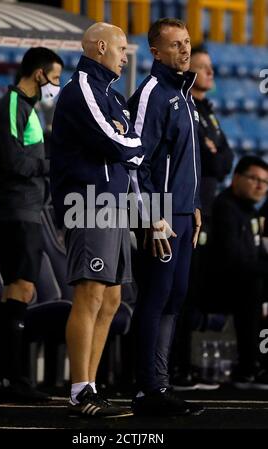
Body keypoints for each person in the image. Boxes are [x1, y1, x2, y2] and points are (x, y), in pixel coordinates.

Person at [50, 22, 144, 417]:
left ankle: (89, 384)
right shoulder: (83, 88)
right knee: (90, 293)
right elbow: (120, 142)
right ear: (100, 46)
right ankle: (78, 391)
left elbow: (133, 151)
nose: (125, 56)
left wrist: (130, 145)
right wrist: (132, 143)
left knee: (112, 297)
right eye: (121, 48)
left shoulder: (112, 96)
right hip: (89, 202)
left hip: (114, 204)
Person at [127, 18, 203, 416]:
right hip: (160, 219)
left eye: (187, 43)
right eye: (175, 45)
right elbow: (135, 164)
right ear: (155, 52)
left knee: (174, 299)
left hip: (183, 215)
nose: (184, 50)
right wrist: (150, 217)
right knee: (155, 299)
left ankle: (160, 384)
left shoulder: (183, 92)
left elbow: (183, 161)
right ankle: (146, 389)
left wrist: (194, 205)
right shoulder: (152, 94)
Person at [0, 47, 63, 402]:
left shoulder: (26, 108)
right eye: (55, 77)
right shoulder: (12, 107)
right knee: (20, 288)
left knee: (17, 291)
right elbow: (12, 162)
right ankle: (14, 380)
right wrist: (50, 164)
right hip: (16, 211)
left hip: (25, 209)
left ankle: (5, 378)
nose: (56, 84)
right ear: (39, 74)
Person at [171, 46, 234, 390]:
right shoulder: (185, 107)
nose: (211, 73)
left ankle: (186, 366)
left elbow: (225, 160)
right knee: (182, 292)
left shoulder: (208, 112)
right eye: (204, 67)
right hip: (188, 208)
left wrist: (216, 153)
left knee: (195, 293)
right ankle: (175, 369)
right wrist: (214, 154)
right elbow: (208, 161)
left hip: (205, 210)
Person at [208, 156, 268, 389]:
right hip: (216, 285)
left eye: (264, 181)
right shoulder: (225, 208)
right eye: (254, 178)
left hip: (244, 280)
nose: (260, 186)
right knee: (253, 286)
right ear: (236, 178)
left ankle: (257, 364)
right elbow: (232, 261)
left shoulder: (250, 212)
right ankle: (249, 368)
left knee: (257, 284)